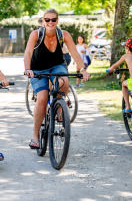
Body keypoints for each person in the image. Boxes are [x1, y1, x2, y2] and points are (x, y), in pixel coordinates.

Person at [24, 8, 90, 149]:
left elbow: (75, 53)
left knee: (63, 81)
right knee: (42, 98)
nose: (50, 22)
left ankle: (59, 107)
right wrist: (27, 69)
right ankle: (35, 135)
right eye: (47, 20)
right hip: (38, 69)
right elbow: (28, 52)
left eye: (53, 19)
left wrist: (83, 69)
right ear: (43, 21)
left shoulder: (63, 35)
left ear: (57, 21)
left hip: (57, 65)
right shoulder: (36, 34)